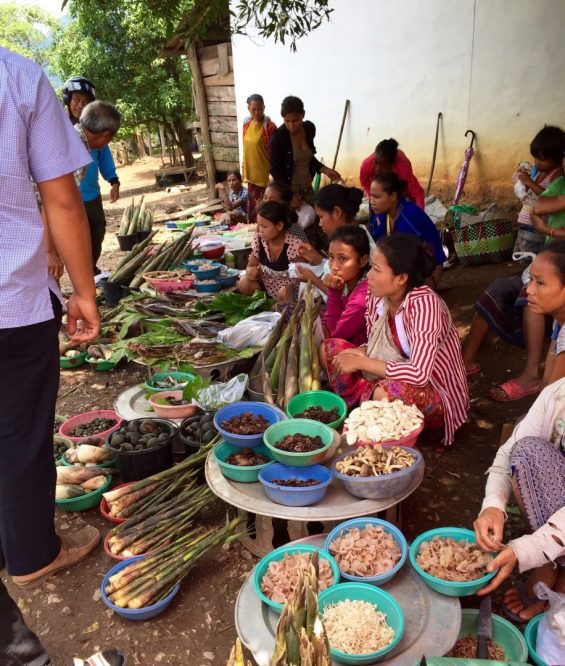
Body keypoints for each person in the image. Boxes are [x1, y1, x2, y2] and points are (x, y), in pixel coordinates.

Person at [0, 47, 101, 661]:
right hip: (11, 302)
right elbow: (62, 199)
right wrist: (85, 294)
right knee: (21, 434)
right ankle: (34, 552)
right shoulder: (16, 77)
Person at [325, 234, 469, 446]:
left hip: (434, 390)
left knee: (386, 391)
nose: (369, 277)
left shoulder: (425, 306)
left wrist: (363, 362)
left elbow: (420, 374)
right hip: (392, 370)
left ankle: (405, 434)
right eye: (372, 267)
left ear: (401, 278)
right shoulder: (377, 295)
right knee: (333, 348)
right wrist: (362, 352)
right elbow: (379, 341)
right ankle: (364, 415)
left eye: (377, 269)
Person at [473, 379, 565, 620]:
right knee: (528, 452)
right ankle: (548, 567)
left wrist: (524, 550)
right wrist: (493, 506)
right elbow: (508, 454)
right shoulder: (558, 394)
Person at [463, 206, 565, 401]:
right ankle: (467, 360)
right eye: (532, 280)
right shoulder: (560, 323)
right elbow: (549, 388)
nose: (529, 289)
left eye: (540, 283)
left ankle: (530, 375)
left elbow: (553, 401)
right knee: (500, 287)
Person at [63, 78, 121, 274]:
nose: (80, 105)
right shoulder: (69, 140)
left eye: (85, 102)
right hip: (68, 200)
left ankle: (89, 269)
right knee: (77, 238)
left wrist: (113, 180)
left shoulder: (90, 137)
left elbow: (105, 156)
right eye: (76, 100)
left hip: (91, 195)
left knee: (97, 231)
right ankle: (83, 273)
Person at [368, 172, 446, 287]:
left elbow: (418, 256)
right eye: (371, 196)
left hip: (428, 267)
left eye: (377, 197)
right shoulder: (381, 215)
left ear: (393, 196)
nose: (371, 201)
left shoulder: (410, 216)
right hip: (402, 262)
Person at [297, 184, 376, 292]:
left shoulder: (363, 246)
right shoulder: (350, 238)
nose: (320, 224)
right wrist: (317, 258)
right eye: (332, 257)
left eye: (321, 217)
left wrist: (314, 280)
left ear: (337, 213)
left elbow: (346, 298)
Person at [269, 95, 340, 203]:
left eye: (295, 120)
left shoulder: (309, 129)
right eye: (287, 121)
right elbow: (275, 170)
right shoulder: (279, 138)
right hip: (288, 191)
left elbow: (308, 158)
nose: (291, 125)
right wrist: (290, 196)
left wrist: (324, 169)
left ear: (303, 115)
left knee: (315, 215)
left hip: (307, 188)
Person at [515, 126, 565, 256]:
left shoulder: (557, 175)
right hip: (525, 225)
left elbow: (548, 197)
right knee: (523, 259)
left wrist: (529, 182)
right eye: (535, 158)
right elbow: (531, 193)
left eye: (541, 159)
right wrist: (524, 184)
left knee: (532, 260)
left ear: (557, 157)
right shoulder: (540, 173)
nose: (537, 162)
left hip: (537, 229)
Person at [238, 201, 302, 299]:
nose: (260, 230)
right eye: (259, 225)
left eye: (264, 226)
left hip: (287, 292)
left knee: (285, 292)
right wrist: (251, 272)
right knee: (244, 283)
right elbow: (250, 266)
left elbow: (301, 279)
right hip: (266, 288)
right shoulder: (259, 240)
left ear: (279, 226)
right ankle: (264, 305)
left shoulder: (293, 245)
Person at [322, 226, 370, 346]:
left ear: (363, 260)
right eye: (331, 257)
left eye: (343, 259)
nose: (334, 266)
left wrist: (333, 292)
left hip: (367, 356)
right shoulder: (351, 284)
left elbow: (336, 335)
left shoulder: (363, 295)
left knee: (326, 349)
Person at [359, 138, 425, 208]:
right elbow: (365, 183)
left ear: (392, 164)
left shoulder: (403, 166)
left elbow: (417, 194)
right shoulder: (367, 165)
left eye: (383, 165)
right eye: (376, 163)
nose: (377, 168)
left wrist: (419, 214)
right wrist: (373, 197)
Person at [242, 93, 277, 222]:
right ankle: (254, 239)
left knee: (265, 212)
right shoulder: (246, 124)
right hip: (251, 175)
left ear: (264, 107)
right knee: (253, 212)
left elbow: (275, 153)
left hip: (265, 176)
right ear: (248, 108)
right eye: (253, 109)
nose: (257, 112)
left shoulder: (269, 127)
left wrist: (273, 174)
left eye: (260, 109)